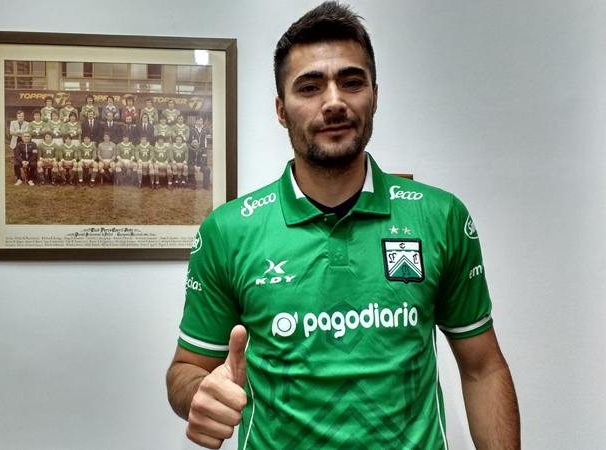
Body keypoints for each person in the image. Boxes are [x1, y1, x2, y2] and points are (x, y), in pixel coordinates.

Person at [166, 3, 520, 450]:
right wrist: (199, 394)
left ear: (375, 95)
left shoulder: (440, 216)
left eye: (351, 82)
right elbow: (186, 369)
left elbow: (482, 368)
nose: (334, 102)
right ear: (281, 110)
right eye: (309, 87)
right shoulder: (228, 231)